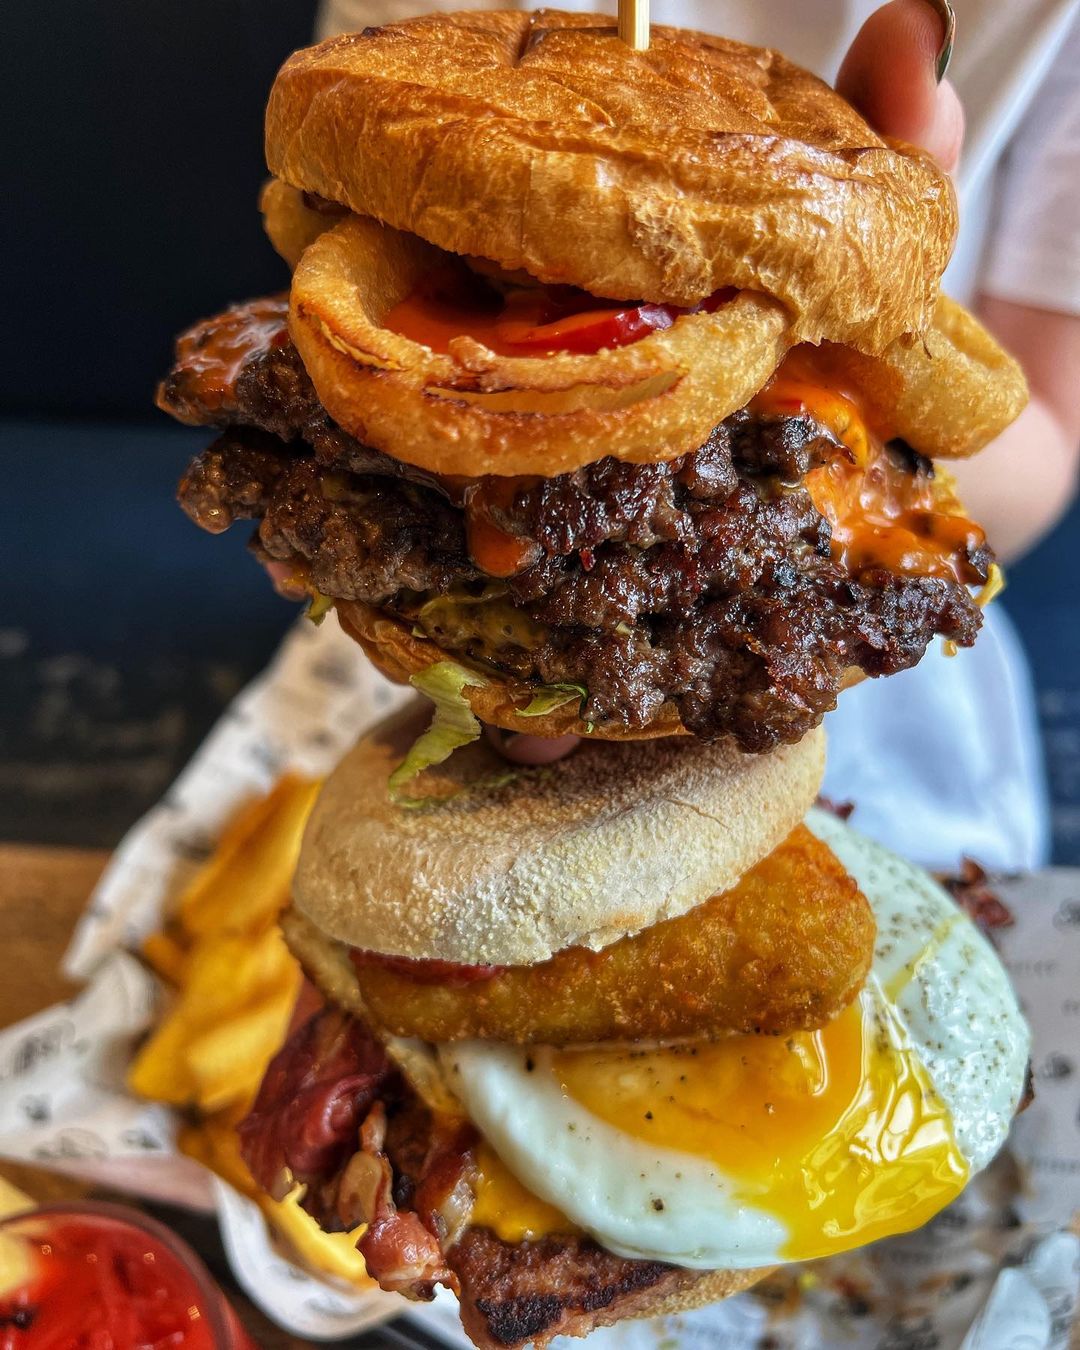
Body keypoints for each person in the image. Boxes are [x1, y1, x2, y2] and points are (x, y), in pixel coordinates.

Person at [313, 0, 1080, 868]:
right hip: (373, 694)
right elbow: (342, 204)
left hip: (908, 748)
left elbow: (1044, 433)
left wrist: (829, 469)